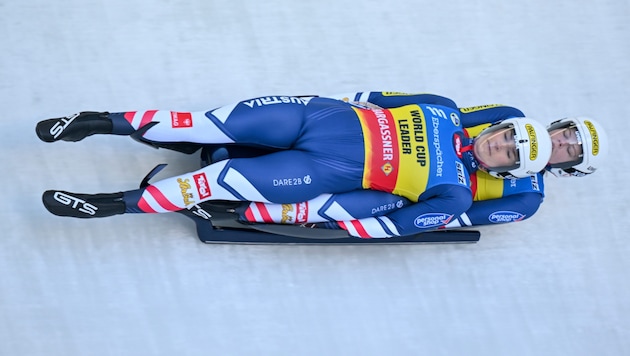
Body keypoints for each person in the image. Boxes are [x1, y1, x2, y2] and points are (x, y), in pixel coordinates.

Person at [36, 94, 552, 238]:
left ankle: (109, 205)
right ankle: (99, 121)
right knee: (207, 122)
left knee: (216, 180)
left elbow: (392, 225)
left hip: (325, 170)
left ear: (508, 171)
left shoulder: (457, 194)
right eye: (505, 135)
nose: (498, 145)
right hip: (320, 118)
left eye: (509, 153)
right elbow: (370, 96)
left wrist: (328, 217)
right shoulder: (443, 108)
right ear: (496, 125)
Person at [195, 92, 607, 232]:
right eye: (566, 134)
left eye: (570, 149)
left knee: (341, 200)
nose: (560, 143)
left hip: (422, 196)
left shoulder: (528, 197)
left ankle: (244, 207)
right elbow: (454, 120)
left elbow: (461, 217)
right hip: (417, 156)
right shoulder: (511, 118)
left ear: (569, 168)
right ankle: (251, 146)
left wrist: (425, 206)